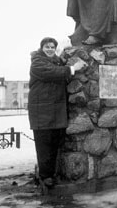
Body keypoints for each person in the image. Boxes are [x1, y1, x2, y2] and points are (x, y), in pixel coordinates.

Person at [28, 37, 84, 187]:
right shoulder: (37, 62)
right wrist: (72, 69)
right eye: (47, 47)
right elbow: (51, 73)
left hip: (55, 111)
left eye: (53, 47)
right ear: (41, 48)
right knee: (44, 145)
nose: (50, 49)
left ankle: (51, 174)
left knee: (54, 143)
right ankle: (45, 176)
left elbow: (58, 70)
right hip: (42, 112)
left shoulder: (57, 61)